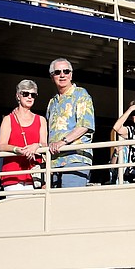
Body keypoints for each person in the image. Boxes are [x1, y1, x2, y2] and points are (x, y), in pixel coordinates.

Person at [45, 59, 96, 188]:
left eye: (66, 71)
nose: (62, 75)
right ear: (52, 77)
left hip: (76, 158)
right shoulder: (52, 101)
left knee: (70, 203)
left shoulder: (81, 94)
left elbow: (85, 125)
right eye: (57, 72)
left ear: (71, 75)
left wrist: (62, 142)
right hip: (55, 162)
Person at [0, 80, 48, 191]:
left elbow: (44, 143)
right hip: (13, 174)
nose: (29, 97)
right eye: (25, 94)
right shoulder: (8, 119)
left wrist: (37, 145)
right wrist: (17, 149)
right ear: (18, 96)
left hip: (35, 175)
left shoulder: (41, 120)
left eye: (33, 95)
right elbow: (1, 145)